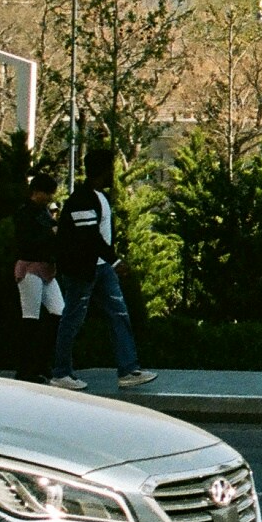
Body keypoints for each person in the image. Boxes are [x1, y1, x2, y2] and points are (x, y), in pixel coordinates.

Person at [52, 147, 157, 390]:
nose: (113, 174)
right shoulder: (81, 199)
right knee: (73, 319)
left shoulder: (100, 197)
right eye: (110, 169)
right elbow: (89, 237)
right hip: (83, 270)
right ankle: (60, 372)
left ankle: (128, 369)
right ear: (101, 171)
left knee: (119, 313)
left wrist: (109, 263)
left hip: (101, 269)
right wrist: (116, 262)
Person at [9, 167, 63, 382]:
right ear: (37, 192)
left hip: (45, 268)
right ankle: (27, 367)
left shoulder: (43, 213)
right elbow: (25, 242)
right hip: (31, 267)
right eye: (48, 193)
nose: (50, 197)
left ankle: (40, 362)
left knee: (58, 313)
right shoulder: (25, 213)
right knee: (30, 317)